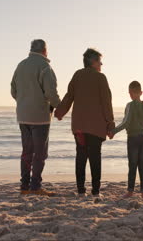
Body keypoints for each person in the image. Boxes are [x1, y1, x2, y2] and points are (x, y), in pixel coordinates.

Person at [54, 48, 115, 198]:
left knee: (81, 156)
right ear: (93, 62)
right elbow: (106, 102)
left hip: (79, 126)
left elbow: (69, 96)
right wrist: (110, 122)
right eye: (100, 61)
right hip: (95, 126)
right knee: (95, 157)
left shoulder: (77, 75)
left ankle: (81, 191)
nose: (101, 64)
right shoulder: (100, 78)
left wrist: (60, 112)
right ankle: (95, 191)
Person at [11, 39, 61, 196]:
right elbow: (51, 93)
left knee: (27, 152)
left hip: (23, 115)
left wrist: (23, 102)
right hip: (40, 116)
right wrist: (60, 107)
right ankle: (35, 186)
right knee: (40, 154)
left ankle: (24, 186)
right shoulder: (45, 67)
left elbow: (13, 90)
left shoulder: (21, 65)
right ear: (45, 51)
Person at [110, 81, 143, 198]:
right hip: (142, 138)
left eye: (130, 93)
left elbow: (126, 122)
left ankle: (130, 191)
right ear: (141, 92)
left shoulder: (130, 105)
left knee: (133, 165)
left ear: (130, 93)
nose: (130, 95)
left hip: (133, 138)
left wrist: (113, 132)